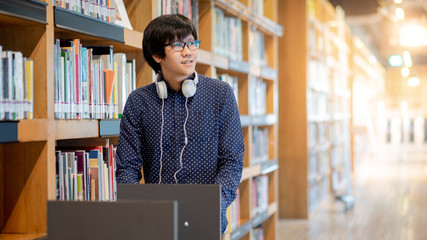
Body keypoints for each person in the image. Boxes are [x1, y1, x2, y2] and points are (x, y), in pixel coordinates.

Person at [115, 13, 245, 234]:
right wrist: (140, 211)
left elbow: (232, 161)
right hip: (154, 225)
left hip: (206, 222)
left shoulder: (220, 94)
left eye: (192, 43)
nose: (188, 52)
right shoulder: (138, 102)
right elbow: (127, 167)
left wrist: (212, 206)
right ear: (157, 55)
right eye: (178, 45)